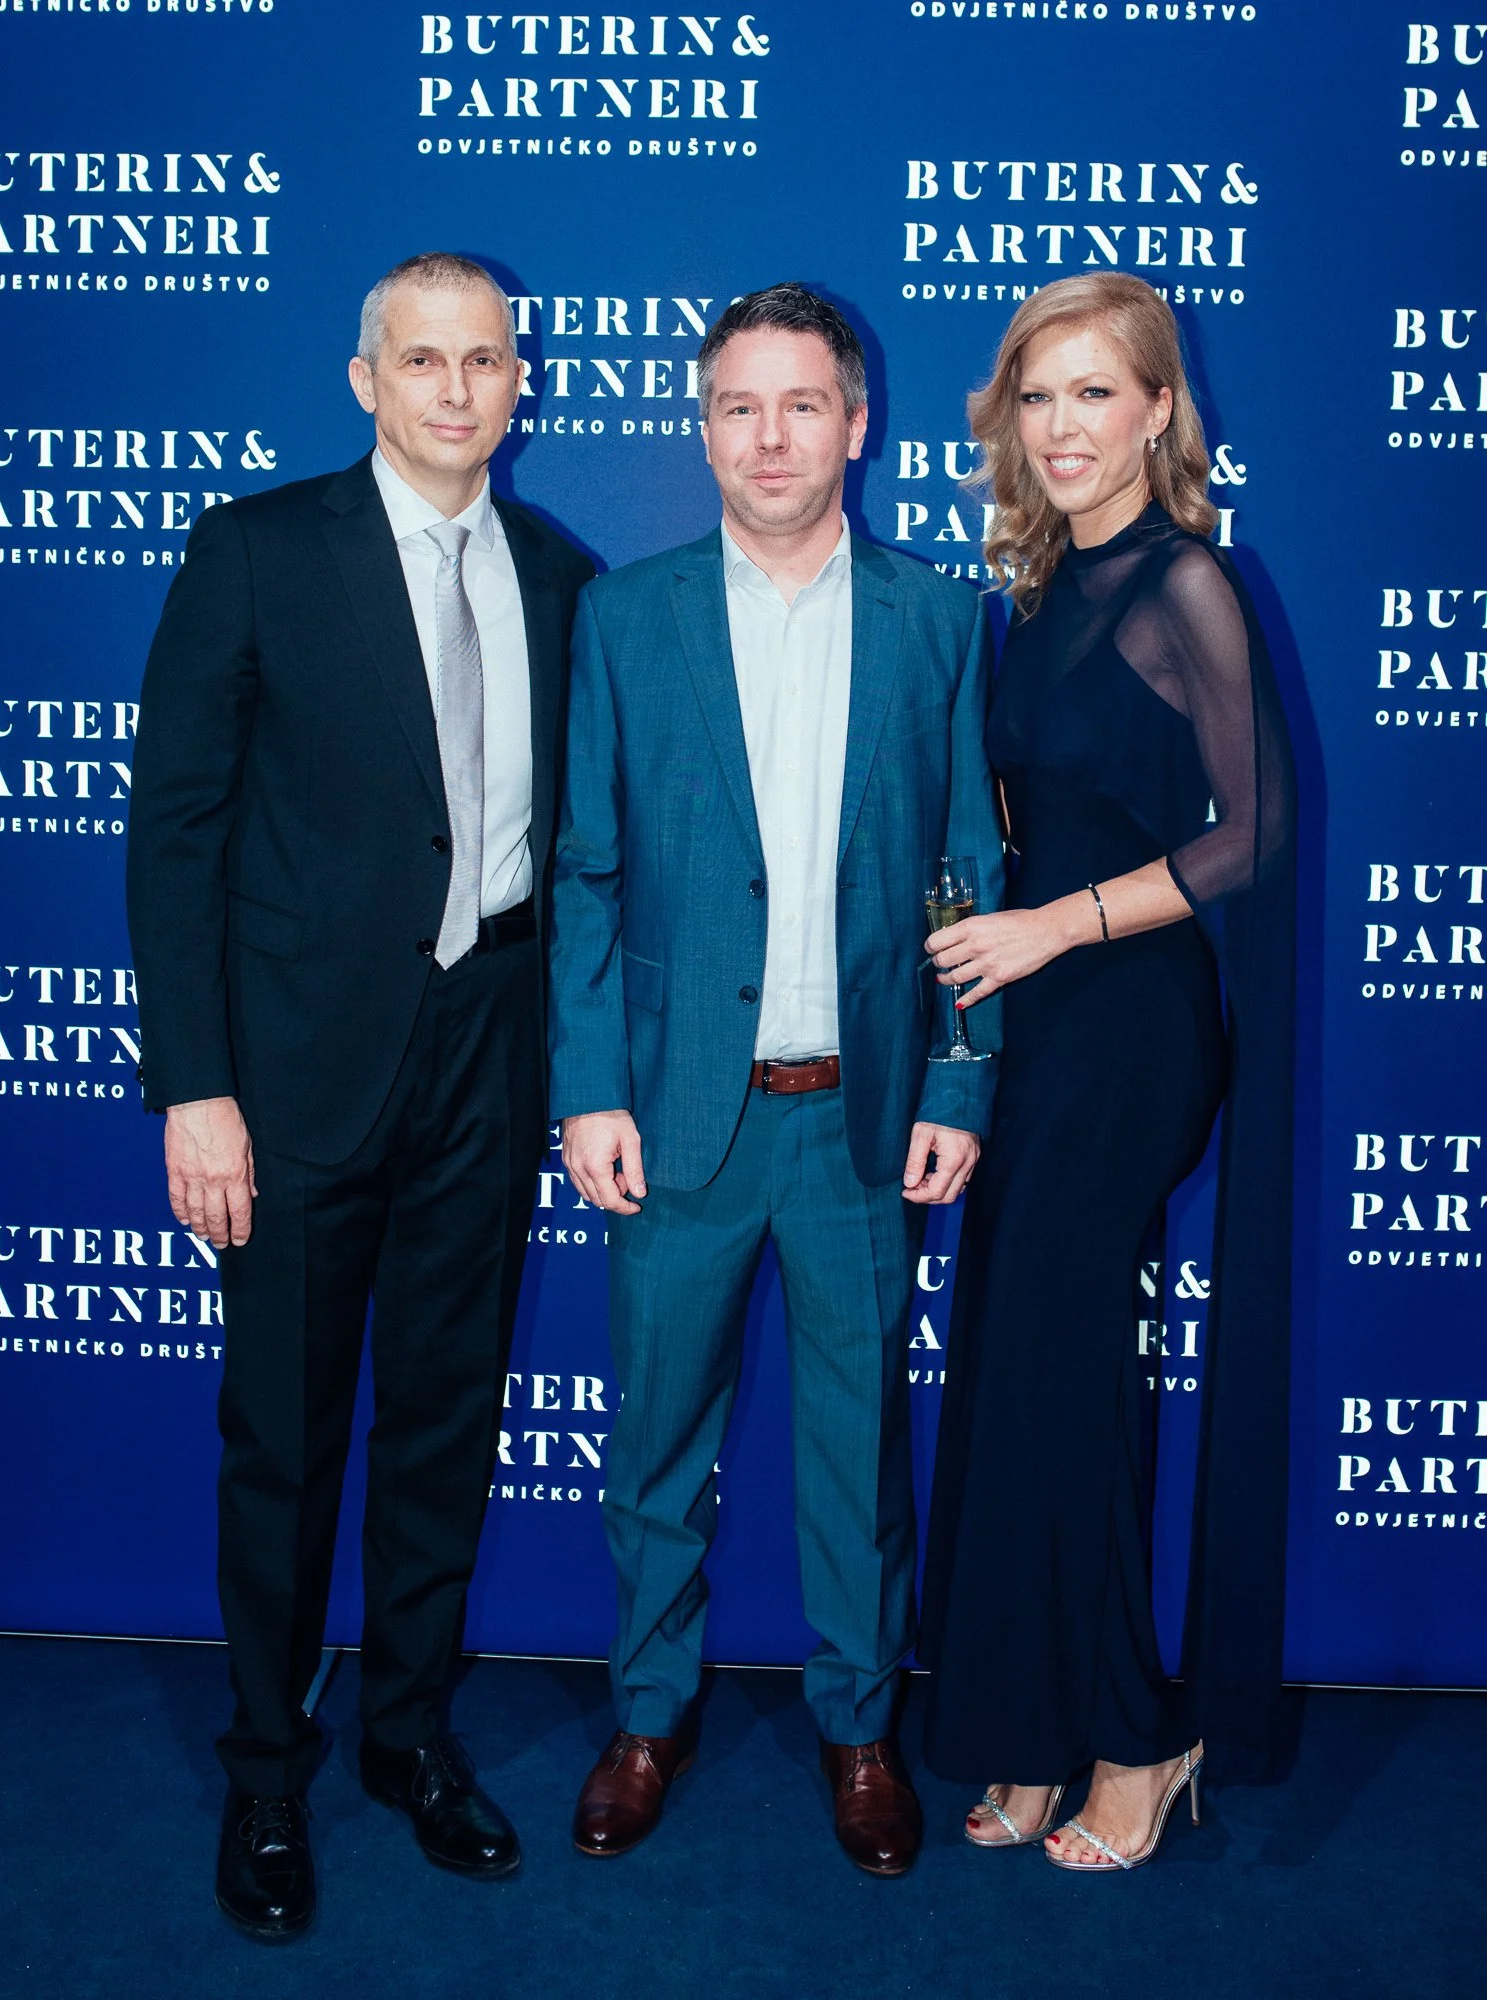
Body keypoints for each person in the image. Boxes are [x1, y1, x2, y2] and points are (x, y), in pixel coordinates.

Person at [126, 252, 594, 1938]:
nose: (456, 390)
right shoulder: (256, 549)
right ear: (365, 380)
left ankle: (408, 1734)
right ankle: (268, 1768)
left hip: (487, 1054)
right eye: (422, 360)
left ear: (520, 381)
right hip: (294, 1076)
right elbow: (174, 834)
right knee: (285, 1437)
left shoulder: (562, 576)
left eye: (485, 360)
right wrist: (196, 1091)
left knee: (445, 1423)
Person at [549, 283, 1003, 1877]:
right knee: (655, 1445)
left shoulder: (938, 621)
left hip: (860, 1123)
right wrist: (588, 1086)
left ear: (855, 425)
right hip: (679, 1116)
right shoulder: (627, 616)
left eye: (801, 405)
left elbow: (967, 873)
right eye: (738, 407)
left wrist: (958, 1085)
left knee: (856, 1455)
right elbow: (587, 870)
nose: (769, 438)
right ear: (703, 428)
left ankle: (860, 1726)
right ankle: (646, 1714)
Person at [918, 273, 1297, 1871]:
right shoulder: (1039, 587)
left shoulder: (1188, 581)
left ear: (1157, 410)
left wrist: (1051, 926)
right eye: (1038, 395)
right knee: (1021, 1375)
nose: (1063, 426)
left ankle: (1141, 1740)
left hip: (1129, 1025)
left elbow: (1253, 832)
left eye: (1095, 393)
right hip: (1037, 1024)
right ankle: (1032, 1724)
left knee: (1067, 1381)